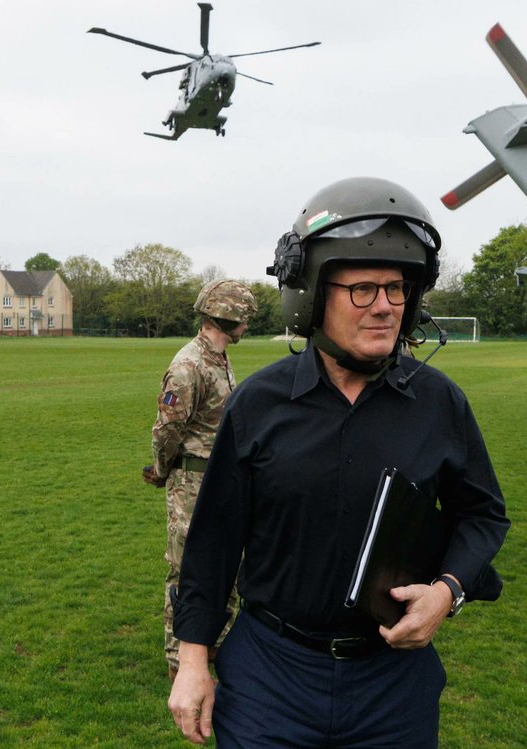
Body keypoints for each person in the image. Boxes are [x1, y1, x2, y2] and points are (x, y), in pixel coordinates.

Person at [168, 177, 509, 747]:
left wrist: (447, 591)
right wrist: (194, 659)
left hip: (392, 683)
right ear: (310, 294)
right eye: (363, 289)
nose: (385, 307)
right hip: (270, 675)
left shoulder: (439, 402)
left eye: (397, 289)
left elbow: (483, 515)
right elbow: (213, 543)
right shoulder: (259, 404)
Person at [144, 280, 258, 679]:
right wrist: (162, 471)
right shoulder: (188, 365)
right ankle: (179, 661)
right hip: (191, 484)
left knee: (224, 565)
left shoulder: (218, 358)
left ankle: (215, 647)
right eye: (244, 317)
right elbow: (166, 430)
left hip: (219, 480)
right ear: (229, 317)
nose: (247, 325)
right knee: (186, 570)